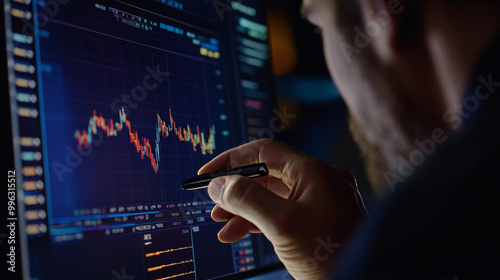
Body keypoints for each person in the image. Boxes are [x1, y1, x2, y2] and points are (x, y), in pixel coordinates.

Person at [199, 0, 500, 279]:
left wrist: (363, 262)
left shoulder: (422, 231)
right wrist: (341, 257)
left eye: (320, 27)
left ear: (379, 12)